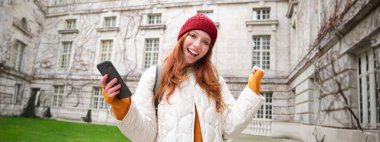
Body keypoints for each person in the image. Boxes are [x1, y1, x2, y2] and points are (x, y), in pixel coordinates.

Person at [100, 13, 265, 142]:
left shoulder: (215, 80)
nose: (197, 45)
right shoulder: (154, 76)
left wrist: (252, 90)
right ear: (182, 37)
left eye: (206, 42)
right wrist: (122, 108)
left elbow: (230, 126)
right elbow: (144, 136)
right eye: (193, 36)